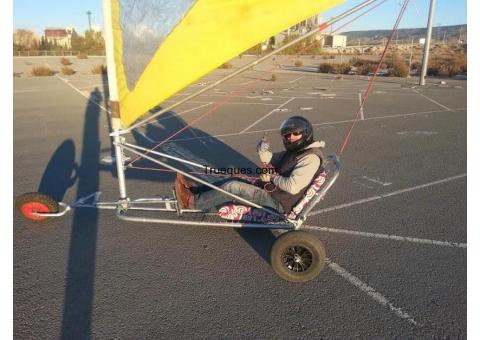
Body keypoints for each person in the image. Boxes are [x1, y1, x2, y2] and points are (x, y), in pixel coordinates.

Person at [174, 116, 325, 214]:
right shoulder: (297, 151)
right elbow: (272, 158)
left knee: (233, 186)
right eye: (287, 134)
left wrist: (271, 177)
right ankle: (194, 191)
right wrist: (262, 151)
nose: (291, 137)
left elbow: (293, 186)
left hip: (279, 203)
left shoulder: (310, 158)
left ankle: (191, 202)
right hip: (273, 192)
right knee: (235, 176)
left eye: (295, 133)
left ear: (305, 133)